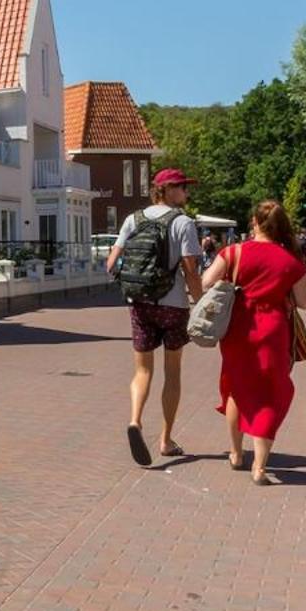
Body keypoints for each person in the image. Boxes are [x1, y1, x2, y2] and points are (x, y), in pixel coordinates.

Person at [201, 198, 306, 485]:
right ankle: (260, 467)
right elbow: (305, 302)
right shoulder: (291, 261)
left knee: (237, 388)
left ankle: (237, 453)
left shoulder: (234, 252)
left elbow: (205, 282)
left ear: (254, 223)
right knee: (270, 393)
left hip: (238, 330)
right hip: (273, 331)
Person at [106, 167, 205, 466]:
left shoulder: (132, 219)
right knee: (172, 372)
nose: (187, 193)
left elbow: (112, 263)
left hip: (140, 303)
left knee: (142, 371)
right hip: (173, 305)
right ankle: (165, 439)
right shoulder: (183, 223)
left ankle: (135, 420)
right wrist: (200, 303)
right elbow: (190, 271)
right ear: (169, 190)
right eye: (184, 188)